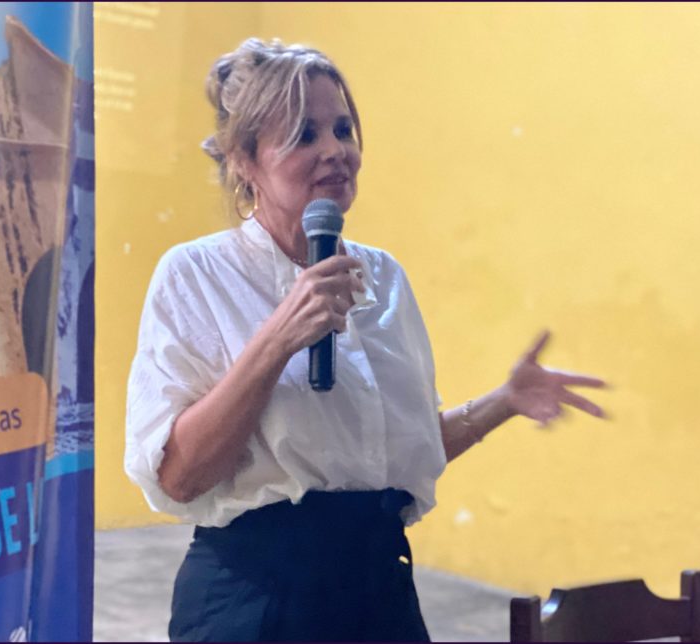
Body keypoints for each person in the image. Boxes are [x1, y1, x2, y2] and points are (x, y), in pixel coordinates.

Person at [124, 38, 608, 642]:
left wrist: (503, 401)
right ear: (244, 161)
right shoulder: (196, 274)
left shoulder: (385, 277)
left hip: (379, 593)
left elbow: (384, 457)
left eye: (342, 129)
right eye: (303, 134)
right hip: (256, 602)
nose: (334, 150)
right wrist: (278, 338)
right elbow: (180, 477)